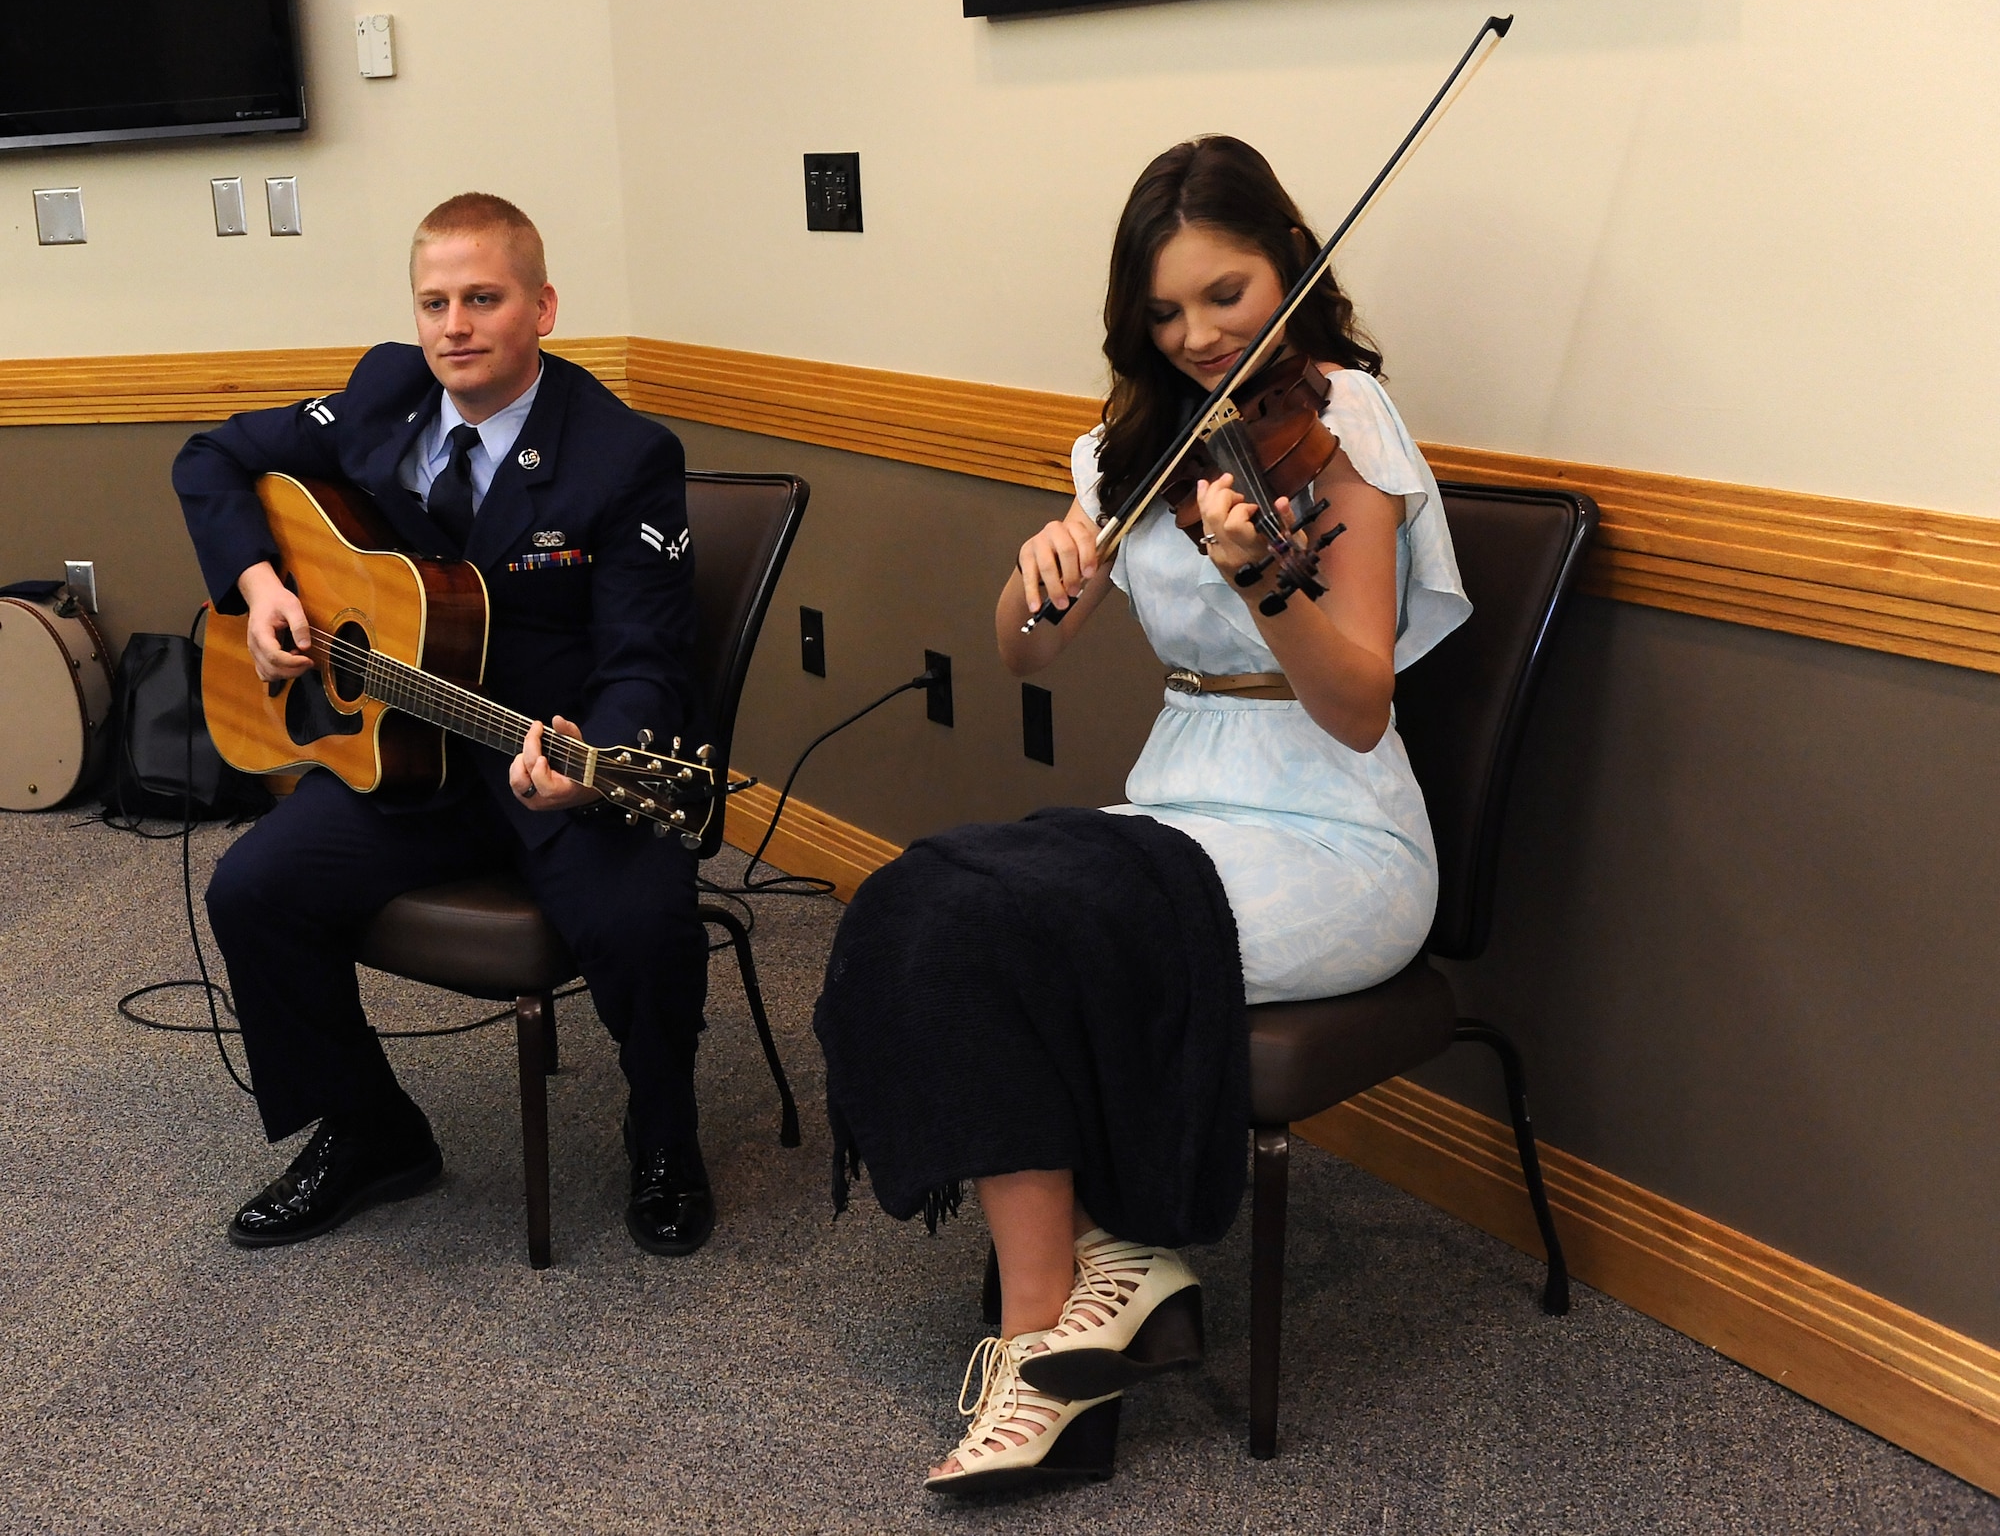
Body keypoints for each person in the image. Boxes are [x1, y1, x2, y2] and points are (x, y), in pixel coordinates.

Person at [813, 136, 1470, 1492]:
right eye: (1165, 312)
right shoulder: (1136, 443)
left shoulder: (1340, 417)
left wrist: (1263, 584)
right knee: (924, 897)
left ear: (1287, 266)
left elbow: (1356, 705)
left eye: (1227, 295)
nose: (1199, 336)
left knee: (1024, 929)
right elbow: (1027, 656)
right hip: (1180, 804)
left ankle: (1043, 1341)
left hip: (1337, 834)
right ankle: (1100, 1277)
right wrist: (1036, 576)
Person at [175, 193, 718, 1258]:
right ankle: (373, 1130)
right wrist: (259, 585)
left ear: (542, 307)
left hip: (544, 750)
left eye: (483, 297)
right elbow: (211, 456)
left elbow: (646, 656)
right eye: (435, 301)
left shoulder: (621, 454)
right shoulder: (386, 393)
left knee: (643, 917)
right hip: (402, 755)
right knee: (252, 890)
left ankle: (663, 1130)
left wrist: (592, 760)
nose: (454, 325)